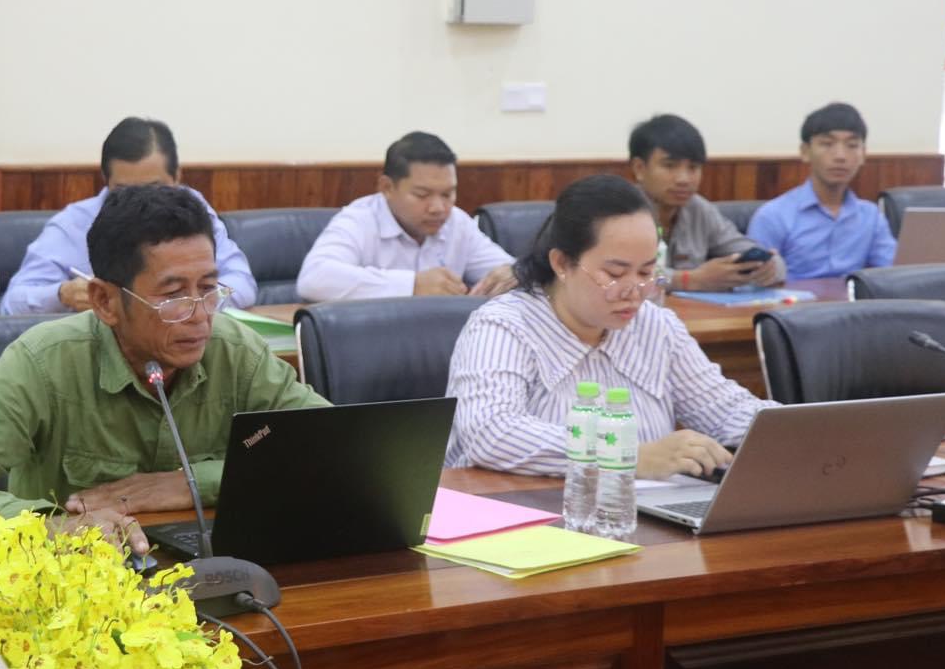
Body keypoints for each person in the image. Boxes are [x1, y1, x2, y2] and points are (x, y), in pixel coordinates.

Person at [0, 184, 328, 547]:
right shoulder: (45, 362)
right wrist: (49, 528)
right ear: (105, 301)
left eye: (209, 288)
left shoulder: (234, 349)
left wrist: (191, 482)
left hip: (206, 561)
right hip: (74, 586)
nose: (199, 315)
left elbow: (328, 448)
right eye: (173, 295)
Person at [444, 174, 771, 479]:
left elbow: (726, 410)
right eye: (615, 274)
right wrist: (627, 455)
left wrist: (788, 426)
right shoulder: (504, 326)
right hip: (524, 512)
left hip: (642, 511)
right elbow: (490, 432)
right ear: (562, 263)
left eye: (646, 273)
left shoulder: (656, 326)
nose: (634, 291)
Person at [0, 117, 257, 315]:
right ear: (106, 180)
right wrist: (62, 294)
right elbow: (11, 304)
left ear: (177, 177)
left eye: (154, 189)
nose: (140, 205)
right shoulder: (73, 225)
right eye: (125, 192)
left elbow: (242, 283)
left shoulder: (191, 210)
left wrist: (187, 301)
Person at [296, 131, 516, 301]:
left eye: (448, 194)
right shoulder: (359, 220)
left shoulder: (456, 222)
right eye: (422, 195)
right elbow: (314, 279)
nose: (438, 208)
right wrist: (412, 285)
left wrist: (514, 274)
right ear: (387, 187)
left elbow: (508, 269)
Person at [627, 113, 784, 291]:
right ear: (639, 169)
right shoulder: (618, 212)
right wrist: (688, 280)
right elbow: (626, 277)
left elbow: (774, 262)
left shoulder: (699, 209)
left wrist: (768, 269)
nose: (684, 179)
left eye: (693, 168)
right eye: (670, 166)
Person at [746, 102, 896, 279]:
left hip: (852, 297)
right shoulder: (773, 216)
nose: (840, 156)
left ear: (863, 154)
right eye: (827, 144)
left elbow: (894, 273)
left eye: (852, 145)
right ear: (805, 152)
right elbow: (752, 284)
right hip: (794, 297)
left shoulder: (871, 216)